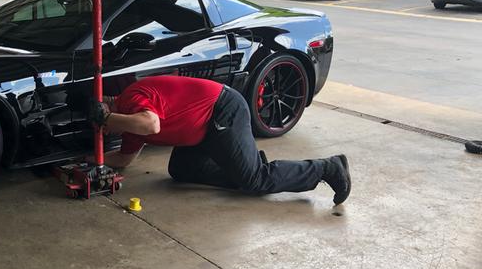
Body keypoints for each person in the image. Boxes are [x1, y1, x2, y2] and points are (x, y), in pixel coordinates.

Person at [91, 75, 351, 204]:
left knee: (253, 180)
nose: (105, 132)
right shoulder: (130, 125)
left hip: (222, 110)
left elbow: (151, 124)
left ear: (108, 106)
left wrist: (108, 120)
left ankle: (327, 168)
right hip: (202, 129)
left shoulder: (131, 98)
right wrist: (87, 160)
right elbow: (124, 159)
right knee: (181, 170)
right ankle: (243, 163)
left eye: (102, 126)